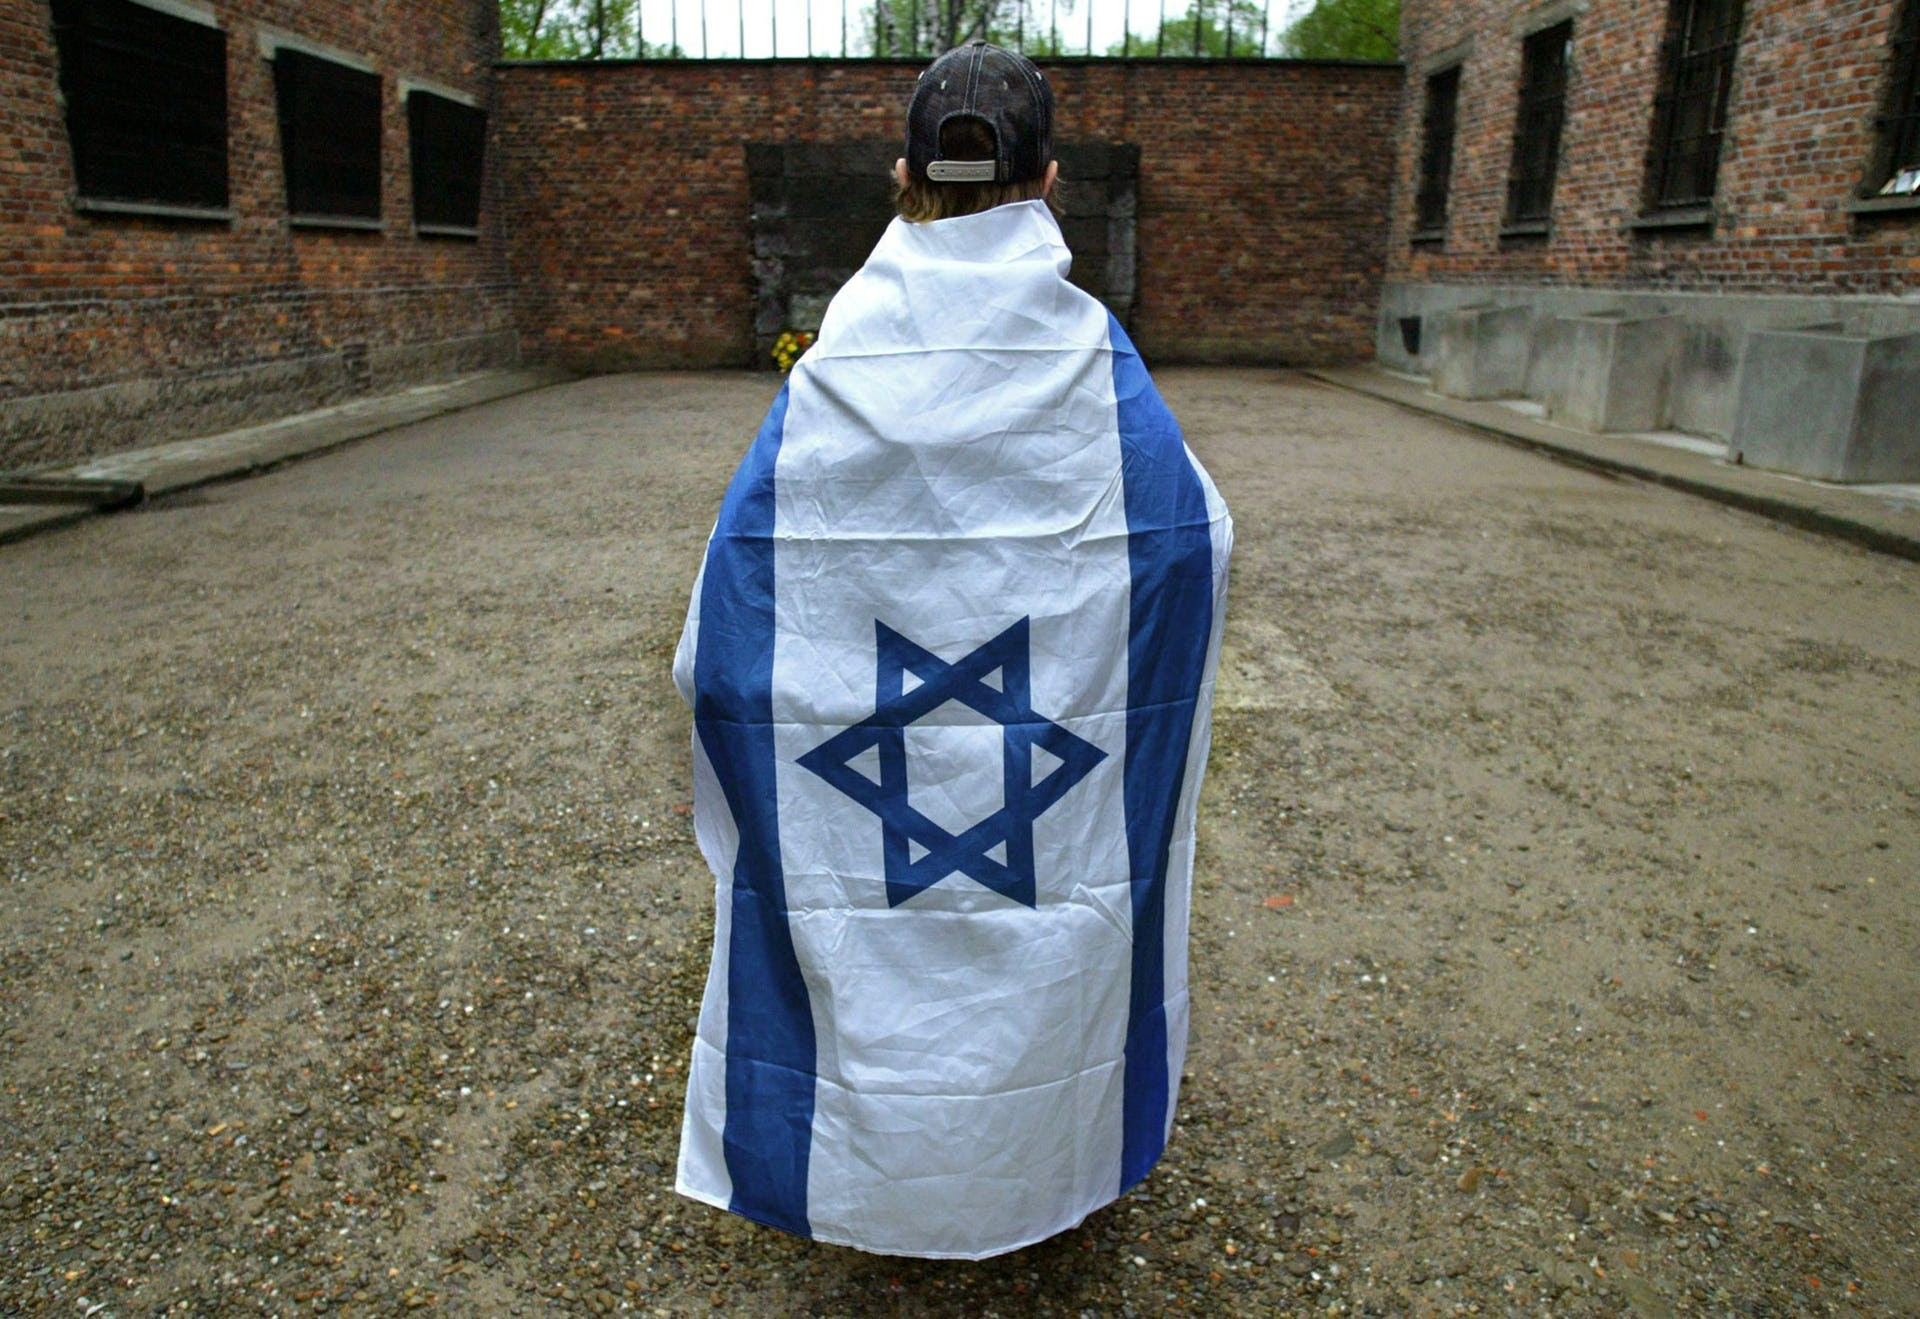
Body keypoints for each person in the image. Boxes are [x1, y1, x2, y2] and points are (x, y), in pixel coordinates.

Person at [672, 40, 1232, 1260]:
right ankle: (1038, 1163)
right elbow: (1188, 549)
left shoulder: (831, 377)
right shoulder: (1099, 372)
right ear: (1046, 184)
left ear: (898, 176)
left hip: (866, 787)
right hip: (1050, 785)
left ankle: (884, 1170)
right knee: (1050, 933)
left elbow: (730, 626)